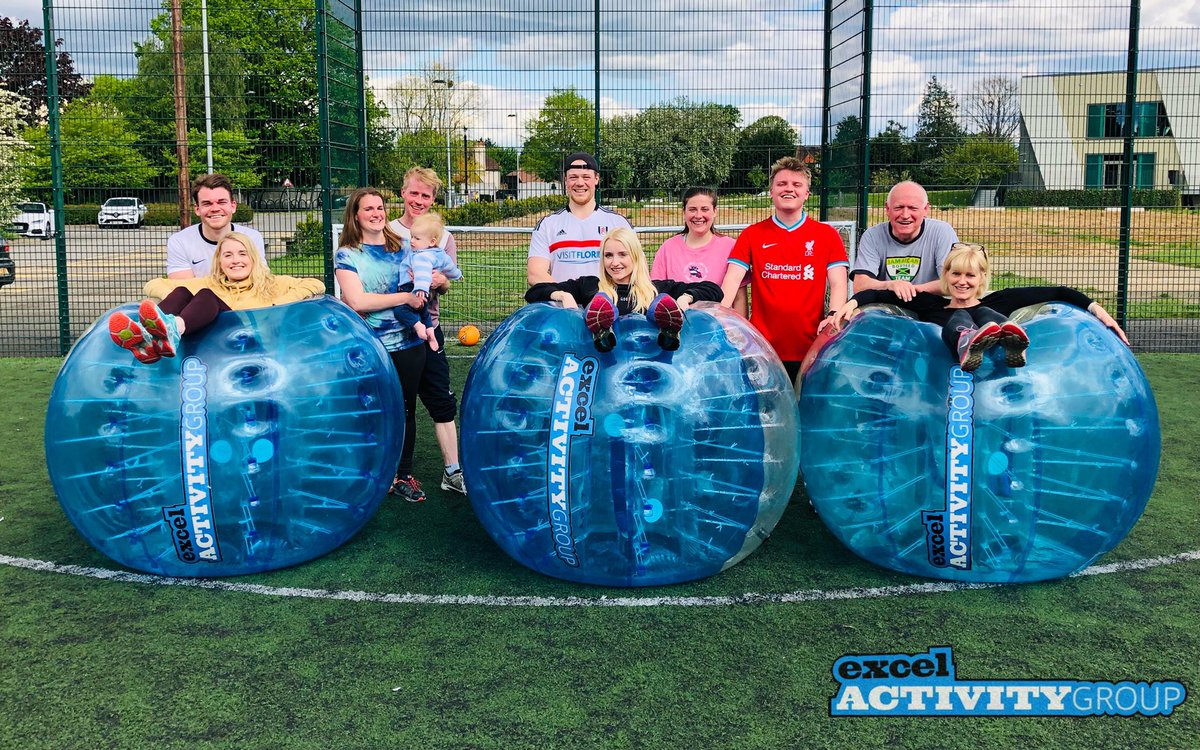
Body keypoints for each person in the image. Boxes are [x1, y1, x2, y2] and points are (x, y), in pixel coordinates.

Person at [336, 187, 462, 502]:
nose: (377, 213)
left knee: (405, 410)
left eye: (380, 207)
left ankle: (402, 474)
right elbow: (357, 299)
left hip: (408, 343)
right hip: (369, 347)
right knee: (369, 410)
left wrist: (440, 280)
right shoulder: (347, 254)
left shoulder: (404, 246)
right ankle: (369, 474)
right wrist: (405, 297)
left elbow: (433, 276)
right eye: (369, 209)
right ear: (355, 215)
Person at [825, 242, 1129, 372]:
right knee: (958, 315)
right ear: (945, 276)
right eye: (955, 274)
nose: (962, 282)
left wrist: (1099, 312)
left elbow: (1058, 291)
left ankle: (1008, 337)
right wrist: (849, 305)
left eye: (970, 275)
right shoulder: (931, 303)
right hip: (944, 371)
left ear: (982, 277)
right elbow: (882, 296)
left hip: (994, 368)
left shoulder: (1000, 300)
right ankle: (967, 340)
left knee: (985, 313)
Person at [719, 156, 849, 382]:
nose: (789, 189)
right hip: (763, 348)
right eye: (782, 184)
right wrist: (720, 315)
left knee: (807, 410)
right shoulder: (752, 234)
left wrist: (833, 315)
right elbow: (731, 280)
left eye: (796, 185)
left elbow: (838, 282)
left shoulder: (827, 235)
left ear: (807, 194)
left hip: (811, 347)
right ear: (771, 191)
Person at [109, 231, 324, 364]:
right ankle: (148, 339)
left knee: (205, 295)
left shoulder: (272, 282)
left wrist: (277, 304)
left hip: (250, 345)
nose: (235, 261)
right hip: (211, 349)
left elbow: (316, 283)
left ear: (253, 258)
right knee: (183, 292)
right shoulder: (211, 282)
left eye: (242, 254)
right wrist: (175, 296)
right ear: (219, 261)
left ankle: (172, 328)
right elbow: (153, 284)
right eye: (227, 255)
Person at [385, 168, 467, 497]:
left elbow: (447, 281)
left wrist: (439, 281)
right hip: (391, 332)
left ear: (433, 199)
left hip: (428, 327)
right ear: (403, 193)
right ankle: (391, 473)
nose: (419, 201)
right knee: (394, 403)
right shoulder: (387, 231)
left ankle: (452, 471)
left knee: (441, 400)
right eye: (414, 193)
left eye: (426, 196)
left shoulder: (442, 236)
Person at [526, 227, 722, 352]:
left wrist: (685, 298)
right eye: (608, 255)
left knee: (661, 302)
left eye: (622, 254)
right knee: (600, 299)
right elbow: (534, 292)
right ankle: (602, 327)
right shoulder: (589, 286)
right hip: (602, 367)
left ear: (635, 257)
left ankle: (668, 330)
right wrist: (564, 295)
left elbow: (713, 290)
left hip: (649, 363)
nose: (615, 262)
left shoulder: (656, 289)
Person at [527, 151, 632, 284]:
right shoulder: (547, 224)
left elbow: (638, 269)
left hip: (607, 304)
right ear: (565, 180)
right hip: (563, 304)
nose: (580, 183)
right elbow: (535, 274)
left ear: (597, 179)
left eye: (586, 177)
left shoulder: (618, 222)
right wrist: (566, 295)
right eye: (573, 177)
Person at [851, 180, 959, 301]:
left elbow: (955, 281)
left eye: (913, 208)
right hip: (886, 309)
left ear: (925, 209)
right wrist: (890, 285)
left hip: (930, 306)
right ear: (887, 208)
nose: (905, 215)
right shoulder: (872, 236)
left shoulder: (942, 232)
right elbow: (860, 285)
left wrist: (909, 290)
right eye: (899, 207)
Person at [651, 186, 748, 317]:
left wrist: (738, 333)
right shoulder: (668, 248)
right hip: (680, 330)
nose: (698, 215)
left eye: (705, 209)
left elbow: (739, 297)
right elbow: (657, 294)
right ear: (684, 212)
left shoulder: (731, 246)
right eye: (692, 209)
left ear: (715, 211)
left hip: (719, 329)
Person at [167, 173, 266, 279]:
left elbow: (259, 281)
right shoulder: (180, 241)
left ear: (233, 206)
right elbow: (182, 289)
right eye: (207, 203)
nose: (215, 209)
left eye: (222, 202)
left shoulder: (252, 237)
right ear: (197, 209)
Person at [393, 212, 463, 352]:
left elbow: (423, 274)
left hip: (413, 289)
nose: (412, 241)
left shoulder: (421, 257)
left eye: (417, 238)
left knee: (400, 310)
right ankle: (430, 332)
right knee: (425, 314)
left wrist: (421, 288)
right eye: (412, 236)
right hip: (424, 294)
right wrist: (457, 275)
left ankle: (418, 326)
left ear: (432, 241)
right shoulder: (439, 253)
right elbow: (449, 266)